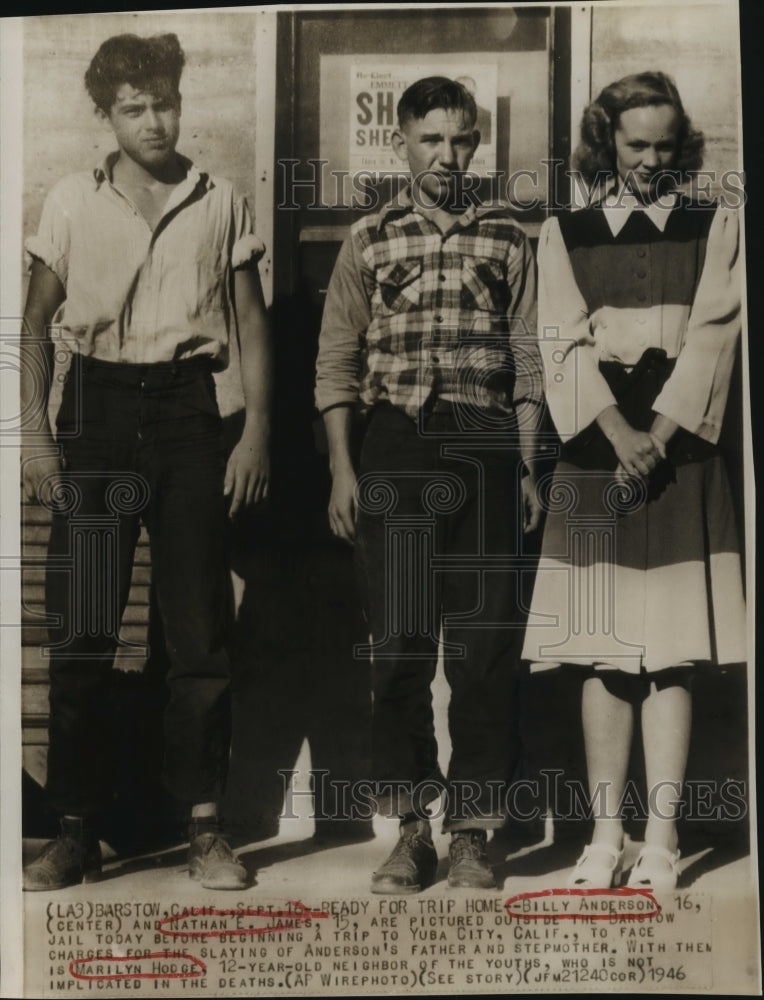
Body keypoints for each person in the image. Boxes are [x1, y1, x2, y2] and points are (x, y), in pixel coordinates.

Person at [21, 32, 272, 891]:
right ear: (106, 114)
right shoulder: (68, 200)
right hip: (92, 411)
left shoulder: (221, 197)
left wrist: (258, 432)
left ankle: (205, 828)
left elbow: (251, 324)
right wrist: (37, 437)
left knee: (200, 631)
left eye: (165, 101)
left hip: (190, 415)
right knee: (83, 630)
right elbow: (33, 329)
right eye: (135, 108)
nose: (155, 120)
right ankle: (74, 830)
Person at [316, 76, 544, 892]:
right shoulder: (369, 237)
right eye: (431, 140)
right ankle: (410, 829)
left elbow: (527, 364)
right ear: (403, 143)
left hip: (484, 445)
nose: (448, 155)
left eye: (461, 139)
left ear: (478, 142)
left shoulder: (511, 239)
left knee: (484, 650)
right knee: (402, 648)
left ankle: (475, 832)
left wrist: (523, 464)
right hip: (395, 447)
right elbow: (337, 363)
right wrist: (346, 468)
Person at [522, 71, 746, 890]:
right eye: (633, 144)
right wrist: (617, 431)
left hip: (680, 450)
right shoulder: (565, 227)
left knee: (673, 655)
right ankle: (603, 836)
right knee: (604, 653)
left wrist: (660, 431)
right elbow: (556, 340)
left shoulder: (714, 221)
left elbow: (716, 334)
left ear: (681, 146)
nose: (649, 161)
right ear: (605, 141)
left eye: (663, 146)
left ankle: (661, 840)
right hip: (597, 450)